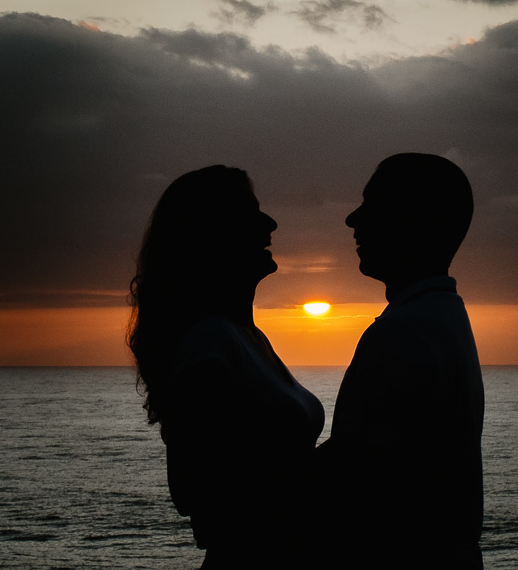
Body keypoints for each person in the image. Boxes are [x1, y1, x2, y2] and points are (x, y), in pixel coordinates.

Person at [128, 165, 324, 569]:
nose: (270, 224)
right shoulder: (210, 342)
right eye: (251, 214)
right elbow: (193, 487)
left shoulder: (246, 337)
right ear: (214, 236)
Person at [318, 152, 484, 570]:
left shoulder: (401, 332)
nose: (352, 220)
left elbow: (353, 479)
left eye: (372, 205)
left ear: (412, 220)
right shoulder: (444, 317)